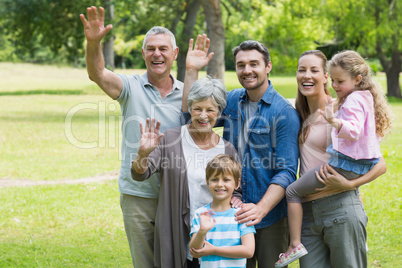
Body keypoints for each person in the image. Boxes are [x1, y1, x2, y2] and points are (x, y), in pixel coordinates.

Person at [79, 6, 184, 267]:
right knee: (146, 263)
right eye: (151, 48)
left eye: (163, 48)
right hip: (139, 194)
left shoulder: (187, 92)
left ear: (175, 54)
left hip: (179, 194)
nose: (156, 54)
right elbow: (98, 74)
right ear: (143, 53)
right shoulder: (129, 86)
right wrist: (94, 43)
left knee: (179, 262)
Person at [183, 37, 300, 268]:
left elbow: (286, 171)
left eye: (254, 64)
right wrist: (191, 71)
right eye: (241, 65)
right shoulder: (233, 99)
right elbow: (192, 113)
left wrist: (261, 208)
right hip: (230, 214)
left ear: (268, 66)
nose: (247, 70)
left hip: (270, 218)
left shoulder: (284, 112)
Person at [275, 50, 392, 267]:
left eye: (314, 70)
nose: (306, 75)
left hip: (339, 206)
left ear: (326, 77)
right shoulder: (297, 113)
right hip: (308, 212)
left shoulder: (341, 110)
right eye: (302, 70)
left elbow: (380, 163)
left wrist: (350, 183)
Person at [131, 76, 242, 268]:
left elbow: (235, 191)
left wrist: (237, 199)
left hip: (216, 238)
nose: (203, 116)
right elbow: (141, 173)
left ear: (219, 112)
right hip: (176, 231)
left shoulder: (227, 149)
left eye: (210, 110)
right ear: (189, 108)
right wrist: (142, 154)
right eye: (198, 108)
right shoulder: (171, 138)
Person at [189, 154, 256, 268]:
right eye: (215, 179)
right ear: (207, 181)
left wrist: (214, 250)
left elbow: (248, 250)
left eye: (226, 179)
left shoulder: (241, 214)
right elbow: (195, 251)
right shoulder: (201, 214)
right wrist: (202, 231)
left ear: (237, 183)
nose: (220, 184)